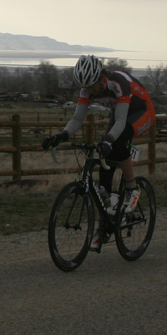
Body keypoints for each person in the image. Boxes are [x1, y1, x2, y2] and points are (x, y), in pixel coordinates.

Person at [42, 55, 156, 235]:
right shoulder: (87, 89)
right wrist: (61, 135)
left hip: (142, 112)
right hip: (120, 115)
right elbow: (78, 118)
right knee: (104, 166)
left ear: (101, 77)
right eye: (86, 87)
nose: (91, 91)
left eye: (92, 86)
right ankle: (104, 224)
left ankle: (132, 188)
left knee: (116, 140)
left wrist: (109, 140)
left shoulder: (118, 83)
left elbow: (120, 121)